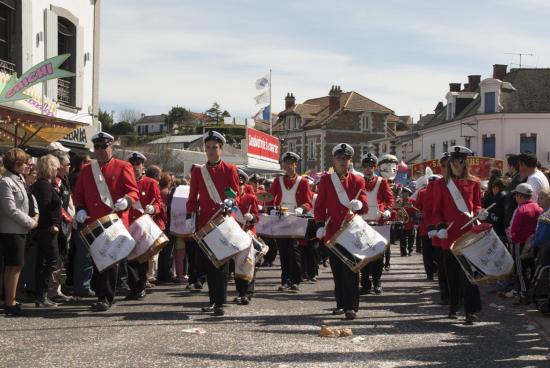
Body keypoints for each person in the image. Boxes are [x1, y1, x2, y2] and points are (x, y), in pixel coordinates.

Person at [73, 132, 139, 312]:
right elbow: (78, 194)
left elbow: (134, 192)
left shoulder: (123, 166)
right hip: (94, 222)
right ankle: (102, 293)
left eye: (104, 146)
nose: (101, 150)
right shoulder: (87, 169)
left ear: (112, 147)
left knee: (110, 261)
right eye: (98, 147)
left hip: (114, 222)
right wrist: (80, 209)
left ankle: (105, 298)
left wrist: (127, 201)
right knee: (97, 259)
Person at [186, 130, 240, 316]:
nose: (211, 151)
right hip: (205, 223)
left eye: (214, 148)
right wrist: (189, 216)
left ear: (221, 149)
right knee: (209, 264)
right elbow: (193, 198)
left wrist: (230, 202)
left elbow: (236, 195)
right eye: (208, 148)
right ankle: (212, 300)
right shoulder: (199, 172)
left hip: (223, 222)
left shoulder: (230, 169)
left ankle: (219, 302)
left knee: (222, 263)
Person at [430, 146, 485, 325]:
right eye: (453, 161)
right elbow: (436, 210)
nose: (455, 165)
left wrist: (480, 212)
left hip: (469, 234)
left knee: (469, 274)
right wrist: (440, 227)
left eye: (459, 161)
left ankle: (471, 311)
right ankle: (453, 306)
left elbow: (476, 204)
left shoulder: (474, 182)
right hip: (450, 234)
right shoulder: (441, 184)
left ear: (465, 163)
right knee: (452, 274)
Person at [315, 143, 368, 320]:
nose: (342, 161)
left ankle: (352, 306)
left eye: (345, 158)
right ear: (334, 160)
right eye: (339, 158)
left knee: (352, 269)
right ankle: (341, 304)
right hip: (333, 231)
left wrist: (359, 205)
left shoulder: (358, 180)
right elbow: (320, 205)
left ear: (349, 160)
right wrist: (320, 225)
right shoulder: (325, 180)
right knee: (337, 270)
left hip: (352, 231)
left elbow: (365, 206)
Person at [0, 148, 39, 316]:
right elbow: (10, 209)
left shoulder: (19, 179)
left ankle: (11, 299)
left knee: (14, 267)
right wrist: (31, 222)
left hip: (19, 229)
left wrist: (35, 214)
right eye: (24, 163)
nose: (28, 166)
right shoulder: (6, 182)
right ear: (16, 164)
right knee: (14, 266)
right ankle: (10, 302)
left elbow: (29, 199)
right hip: (11, 231)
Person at [268, 152, 313, 292]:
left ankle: (295, 280)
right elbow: (269, 199)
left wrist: (301, 209)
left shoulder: (303, 181)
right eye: (286, 163)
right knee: (283, 251)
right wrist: (270, 209)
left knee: (294, 250)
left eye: (291, 163)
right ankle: (285, 280)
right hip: (281, 219)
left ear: (296, 164)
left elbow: (308, 203)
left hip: (295, 219)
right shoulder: (278, 181)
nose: (289, 166)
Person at [126, 152, 163, 300]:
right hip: (127, 224)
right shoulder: (124, 181)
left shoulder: (150, 183)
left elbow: (159, 203)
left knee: (141, 259)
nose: (135, 167)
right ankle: (133, 287)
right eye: (132, 164)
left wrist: (153, 208)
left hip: (143, 225)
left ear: (143, 166)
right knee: (128, 258)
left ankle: (140, 287)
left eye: (138, 164)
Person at [359, 152, 394, 295]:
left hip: (378, 222)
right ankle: (365, 283)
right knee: (363, 255)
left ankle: (377, 282)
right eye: (366, 166)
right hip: (362, 222)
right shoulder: (358, 180)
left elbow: (390, 200)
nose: (368, 168)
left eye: (371, 166)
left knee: (378, 255)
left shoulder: (381, 181)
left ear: (375, 167)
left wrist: (387, 210)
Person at [31, 154, 62, 308]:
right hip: (47, 231)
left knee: (43, 263)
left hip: (42, 229)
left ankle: (40, 296)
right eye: (55, 166)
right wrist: (53, 224)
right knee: (50, 262)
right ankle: (41, 295)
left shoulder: (40, 184)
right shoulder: (44, 186)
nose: (58, 169)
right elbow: (44, 206)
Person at [509, 183, 543, 301]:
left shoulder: (521, 209)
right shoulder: (538, 208)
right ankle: (532, 291)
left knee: (520, 269)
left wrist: (512, 239)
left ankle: (523, 292)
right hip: (534, 243)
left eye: (516, 195)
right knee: (532, 267)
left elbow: (514, 229)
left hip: (520, 243)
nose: (515, 198)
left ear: (520, 196)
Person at [233, 169, 259, 305]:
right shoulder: (231, 200)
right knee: (237, 265)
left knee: (248, 263)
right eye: (237, 184)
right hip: (234, 234)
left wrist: (252, 217)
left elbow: (257, 217)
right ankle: (240, 292)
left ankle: (247, 293)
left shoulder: (251, 198)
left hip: (247, 232)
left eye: (241, 184)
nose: (239, 187)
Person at [399, 187, 417, 257]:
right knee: (402, 238)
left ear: (409, 193)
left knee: (411, 238)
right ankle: (403, 252)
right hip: (402, 223)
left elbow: (417, 211)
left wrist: (412, 207)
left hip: (410, 223)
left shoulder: (413, 201)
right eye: (403, 193)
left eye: (406, 193)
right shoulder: (399, 201)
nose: (404, 195)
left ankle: (410, 250)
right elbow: (395, 209)